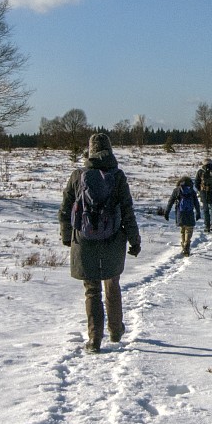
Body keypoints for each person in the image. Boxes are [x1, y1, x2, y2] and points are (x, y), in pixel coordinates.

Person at [60, 133, 141, 353]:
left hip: (84, 240)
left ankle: (94, 340)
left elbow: (65, 210)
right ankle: (115, 330)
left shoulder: (78, 176)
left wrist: (67, 236)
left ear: (90, 151)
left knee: (91, 290)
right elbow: (127, 211)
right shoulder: (118, 176)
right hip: (112, 240)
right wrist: (134, 240)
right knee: (112, 285)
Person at [164, 176, 200, 255]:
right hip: (190, 213)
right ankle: (187, 244)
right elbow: (196, 203)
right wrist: (198, 212)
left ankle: (184, 245)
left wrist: (167, 212)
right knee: (189, 229)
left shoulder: (177, 190)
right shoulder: (192, 191)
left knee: (182, 229)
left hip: (180, 213)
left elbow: (170, 201)